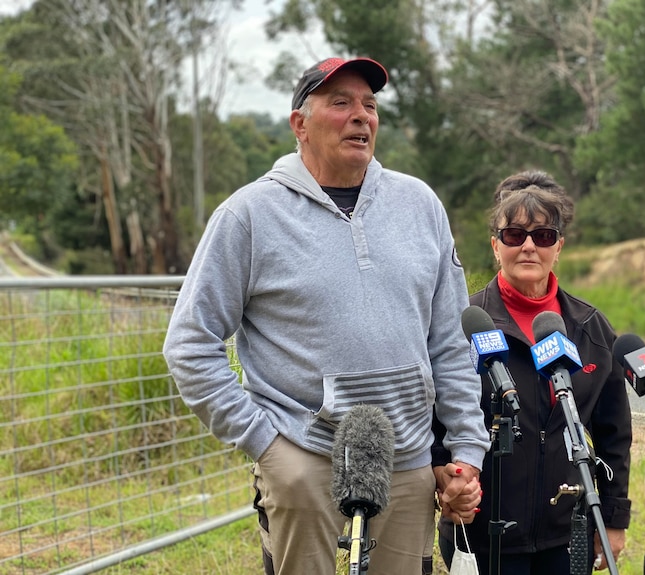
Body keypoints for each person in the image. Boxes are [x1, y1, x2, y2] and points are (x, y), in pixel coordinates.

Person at [162, 56, 489, 575]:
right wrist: (264, 443)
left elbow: (448, 342)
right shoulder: (248, 216)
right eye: (340, 103)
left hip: (407, 457)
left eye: (369, 105)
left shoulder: (420, 205)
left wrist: (465, 448)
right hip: (301, 453)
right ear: (300, 124)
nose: (361, 116)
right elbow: (189, 343)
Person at [432, 170, 632, 574]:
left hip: (565, 532)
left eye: (542, 236)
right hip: (482, 531)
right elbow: (433, 417)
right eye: (514, 235)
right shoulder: (464, 323)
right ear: (495, 245)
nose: (528, 246)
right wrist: (444, 483)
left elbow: (615, 435)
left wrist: (612, 518)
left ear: (558, 246)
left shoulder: (590, 328)